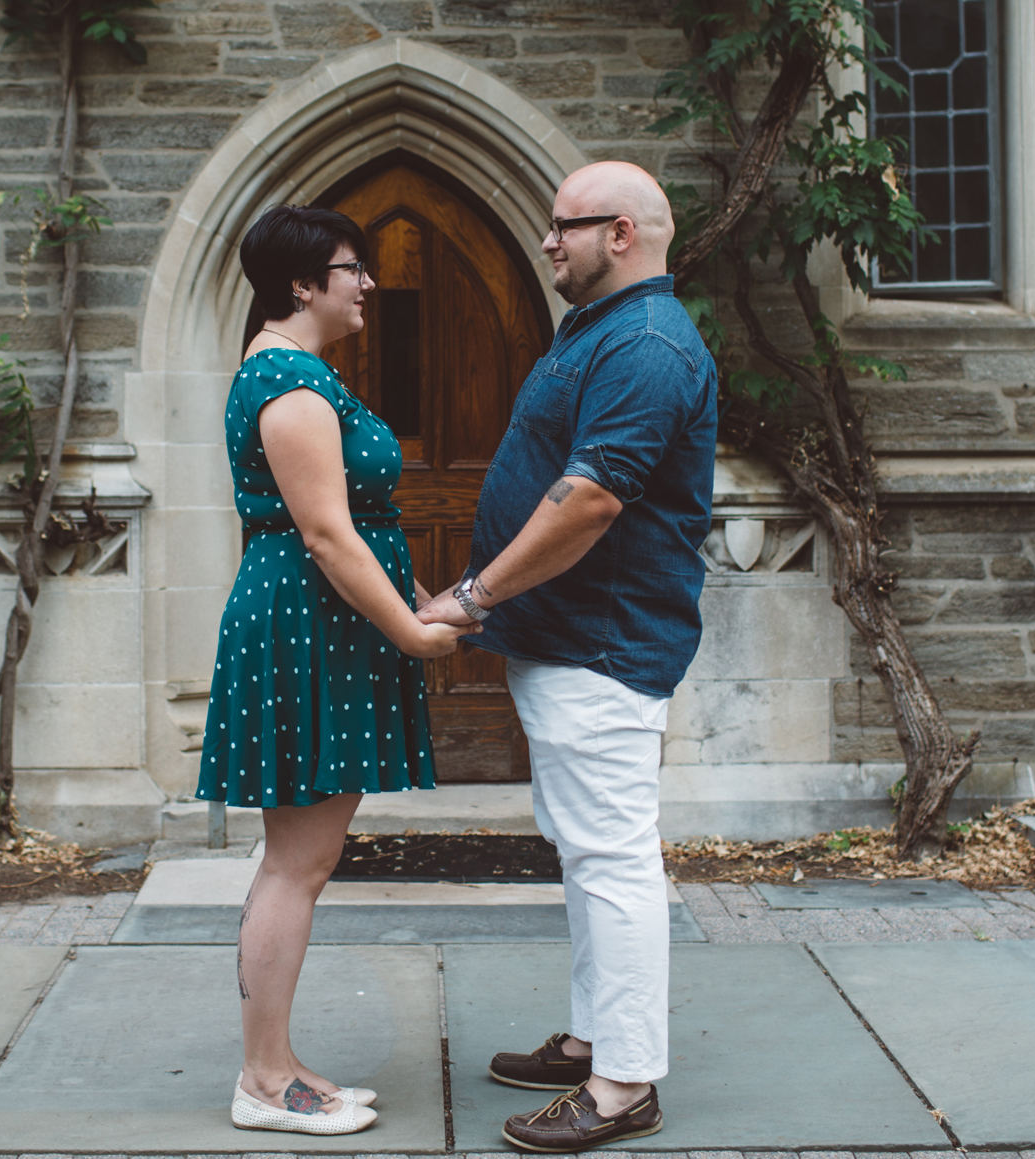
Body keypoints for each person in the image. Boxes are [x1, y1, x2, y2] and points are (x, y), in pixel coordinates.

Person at [418, 160, 718, 1153]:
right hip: (564, 640)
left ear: (621, 232)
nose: (546, 240)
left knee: (613, 858)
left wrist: (474, 594)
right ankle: (595, 1039)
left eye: (562, 226)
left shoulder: (644, 341)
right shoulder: (597, 329)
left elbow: (589, 498)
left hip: (603, 639)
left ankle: (624, 1083)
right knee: (585, 850)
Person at [196, 204, 468, 1138]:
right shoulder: (290, 385)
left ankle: (275, 1063)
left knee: (302, 859)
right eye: (354, 269)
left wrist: (415, 591)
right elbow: (324, 533)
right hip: (304, 628)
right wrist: (409, 630)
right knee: (296, 863)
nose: (368, 286)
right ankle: (263, 1081)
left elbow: (353, 527)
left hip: (317, 625)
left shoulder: (299, 376)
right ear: (302, 284)